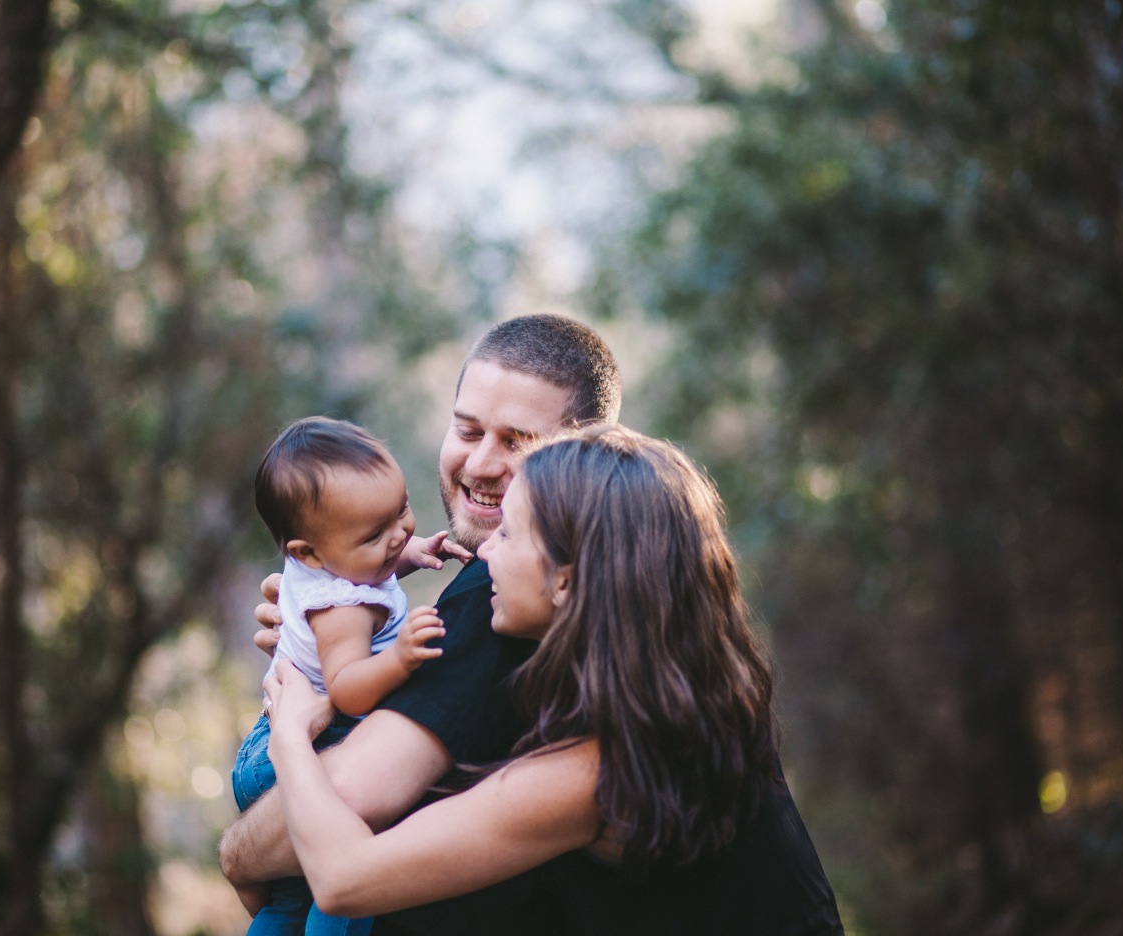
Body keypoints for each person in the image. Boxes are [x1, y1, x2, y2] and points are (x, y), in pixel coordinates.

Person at [217, 315, 840, 932]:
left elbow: (345, 868)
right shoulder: (664, 683)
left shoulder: (594, 769)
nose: (486, 557)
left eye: (518, 443)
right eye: (466, 428)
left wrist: (288, 743)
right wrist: (330, 608)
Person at [233, 417, 468, 935]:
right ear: (308, 552)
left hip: (271, 743)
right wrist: (400, 657)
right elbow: (347, 688)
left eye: (401, 509)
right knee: (353, 877)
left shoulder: (336, 562)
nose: (399, 533)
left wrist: (410, 555)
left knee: (288, 903)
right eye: (374, 534)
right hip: (315, 744)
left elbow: (372, 567)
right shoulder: (343, 609)